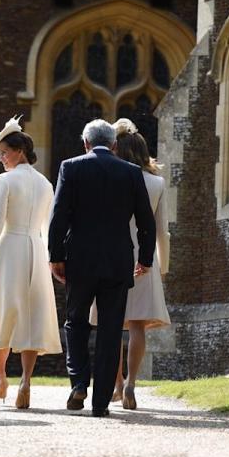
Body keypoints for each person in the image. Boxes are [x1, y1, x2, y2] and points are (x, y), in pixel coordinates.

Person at [48, 119, 156, 417]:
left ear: (85, 143)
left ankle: (79, 383)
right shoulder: (132, 173)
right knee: (110, 329)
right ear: (114, 145)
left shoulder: (71, 167)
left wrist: (55, 256)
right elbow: (147, 222)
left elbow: (59, 216)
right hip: (118, 260)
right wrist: (145, 259)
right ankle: (100, 402)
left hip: (79, 259)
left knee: (75, 322)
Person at [0, 117, 63, 409]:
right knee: (32, 315)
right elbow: (49, 227)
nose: (1, 159)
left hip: (9, 248)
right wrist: (51, 260)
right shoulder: (46, 184)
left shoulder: (5, 180)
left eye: (4, 153)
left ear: (19, 150)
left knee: (6, 311)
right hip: (37, 249)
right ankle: (26, 380)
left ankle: (2, 375)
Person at [89, 118, 171, 410]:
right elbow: (162, 229)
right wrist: (163, 266)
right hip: (145, 259)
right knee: (137, 325)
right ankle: (132, 385)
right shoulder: (156, 183)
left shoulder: (114, 177)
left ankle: (117, 384)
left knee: (110, 324)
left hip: (113, 254)